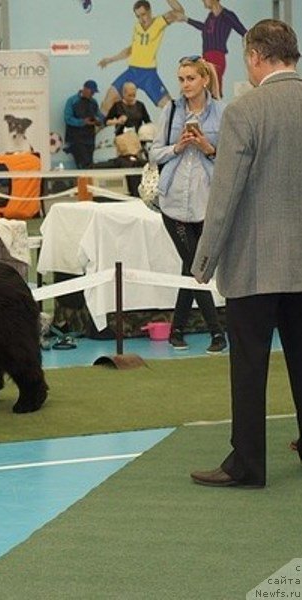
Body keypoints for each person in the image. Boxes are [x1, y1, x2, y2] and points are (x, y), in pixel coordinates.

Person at [190, 20, 302, 489]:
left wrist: (204, 261)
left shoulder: (245, 109)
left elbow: (226, 194)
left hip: (257, 265)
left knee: (250, 365)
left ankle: (248, 465)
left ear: (256, 55)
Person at [149, 56, 226, 353]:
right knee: (196, 266)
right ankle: (217, 332)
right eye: (181, 79)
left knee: (190, 267)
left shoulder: (223, 112)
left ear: (204, 79)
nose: (184, 85)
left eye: (190, 78)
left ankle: (176, 329)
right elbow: (154, 154)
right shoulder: (170, 111)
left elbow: (231, 158)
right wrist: (177, 147)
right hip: (173, 203)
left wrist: (208, 148)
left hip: (207, 202)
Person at [97, 0, 186, 114]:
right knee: (107, 102)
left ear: (149, 11)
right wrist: (110, 59)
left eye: (143, 15)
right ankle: (94, 130)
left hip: (148, 74)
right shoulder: (137, 27)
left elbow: (179, 11)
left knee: (170, 108)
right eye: (138, 16)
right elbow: (131, 50)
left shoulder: (159, 22)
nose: (141, 19)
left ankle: (189, 126)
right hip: (132, 72)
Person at [184, 0, 246, 98]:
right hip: (207, 57)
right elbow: (205, 28)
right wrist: (186, 19)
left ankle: (217, 111)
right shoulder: (210, 17)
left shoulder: (227, 15)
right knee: (208, 90)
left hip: (216, 57)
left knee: (213, 90)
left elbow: (243, 32)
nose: (203, 1)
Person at [63, 79, 105, 169]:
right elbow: (67, 119)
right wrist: (82, 122)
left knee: (89, 164)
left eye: (94, 92)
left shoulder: (93, 102)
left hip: (89, 138)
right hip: (76, 138)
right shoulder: (72, 101)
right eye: (92, 92)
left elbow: (99, 115)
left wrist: (98, 121)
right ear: (85, 89)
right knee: (82, 164)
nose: (93, 94)